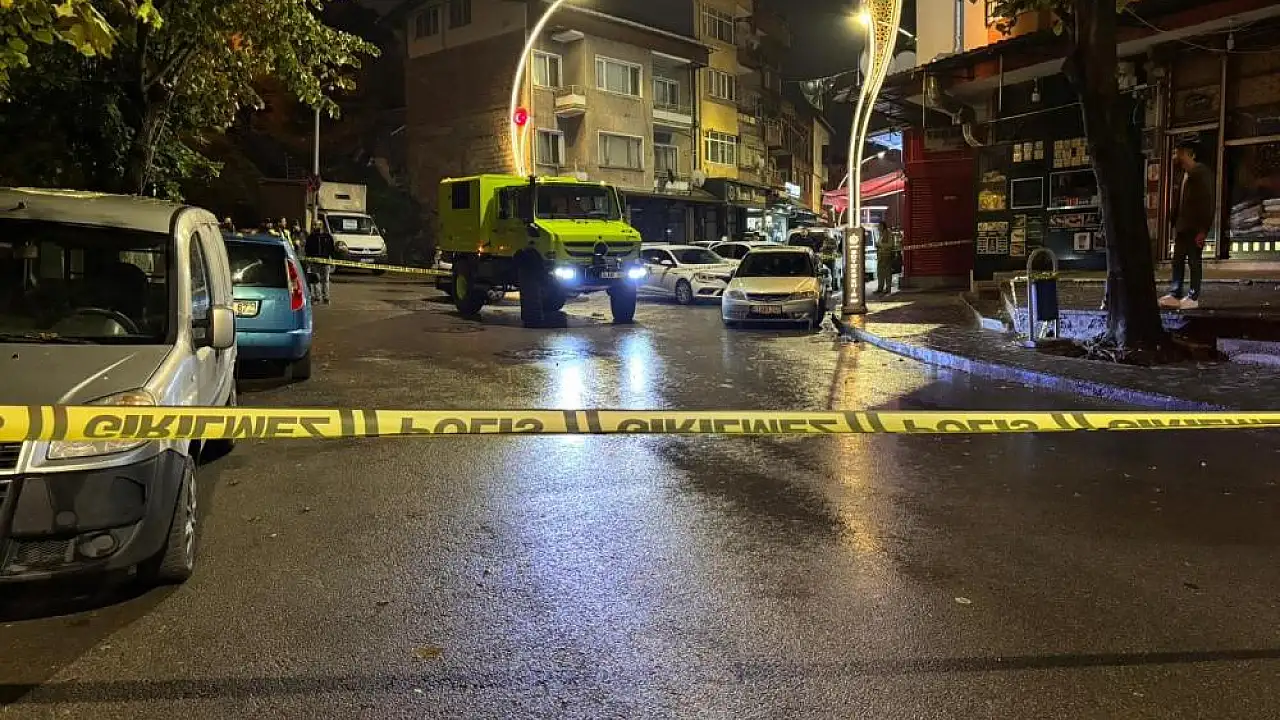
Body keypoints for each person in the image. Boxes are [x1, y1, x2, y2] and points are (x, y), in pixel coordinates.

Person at [1160, 140, 1214, 310]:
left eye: (1180, 153)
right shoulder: (1184, 175)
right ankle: (1175, 293)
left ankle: (1193, 296)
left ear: (1191, 154)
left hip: (1194, 226)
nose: (1176, 156)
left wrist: (1203, 229)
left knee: (1194, 261)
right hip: (1182, 226)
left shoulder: (1201, 173)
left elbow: (1207, 203)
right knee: (1177, 260)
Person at [305, 221, 335, 304]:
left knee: (325, 280)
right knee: (316, 280)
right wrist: (309, 260)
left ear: (321, 226)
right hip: (315, 262)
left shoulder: (328, 236)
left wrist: (332, 260)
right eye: (313, 225)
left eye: (315, 225)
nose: (313, 226)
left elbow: (332, 249)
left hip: (325, 262)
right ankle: (317, 298)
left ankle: (326, 298)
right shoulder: (311, 237)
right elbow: (307, 249)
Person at [874, 221, 895, 294]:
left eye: (879, 226)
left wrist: (880, 245)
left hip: (886, 256)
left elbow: (890, 245)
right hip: (881, 256)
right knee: (880, 273)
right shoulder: (881, 234)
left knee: (887, 273)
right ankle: (880, 288)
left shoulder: (888, 234)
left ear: (883, 226)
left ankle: (888, 289)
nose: (878, 228)